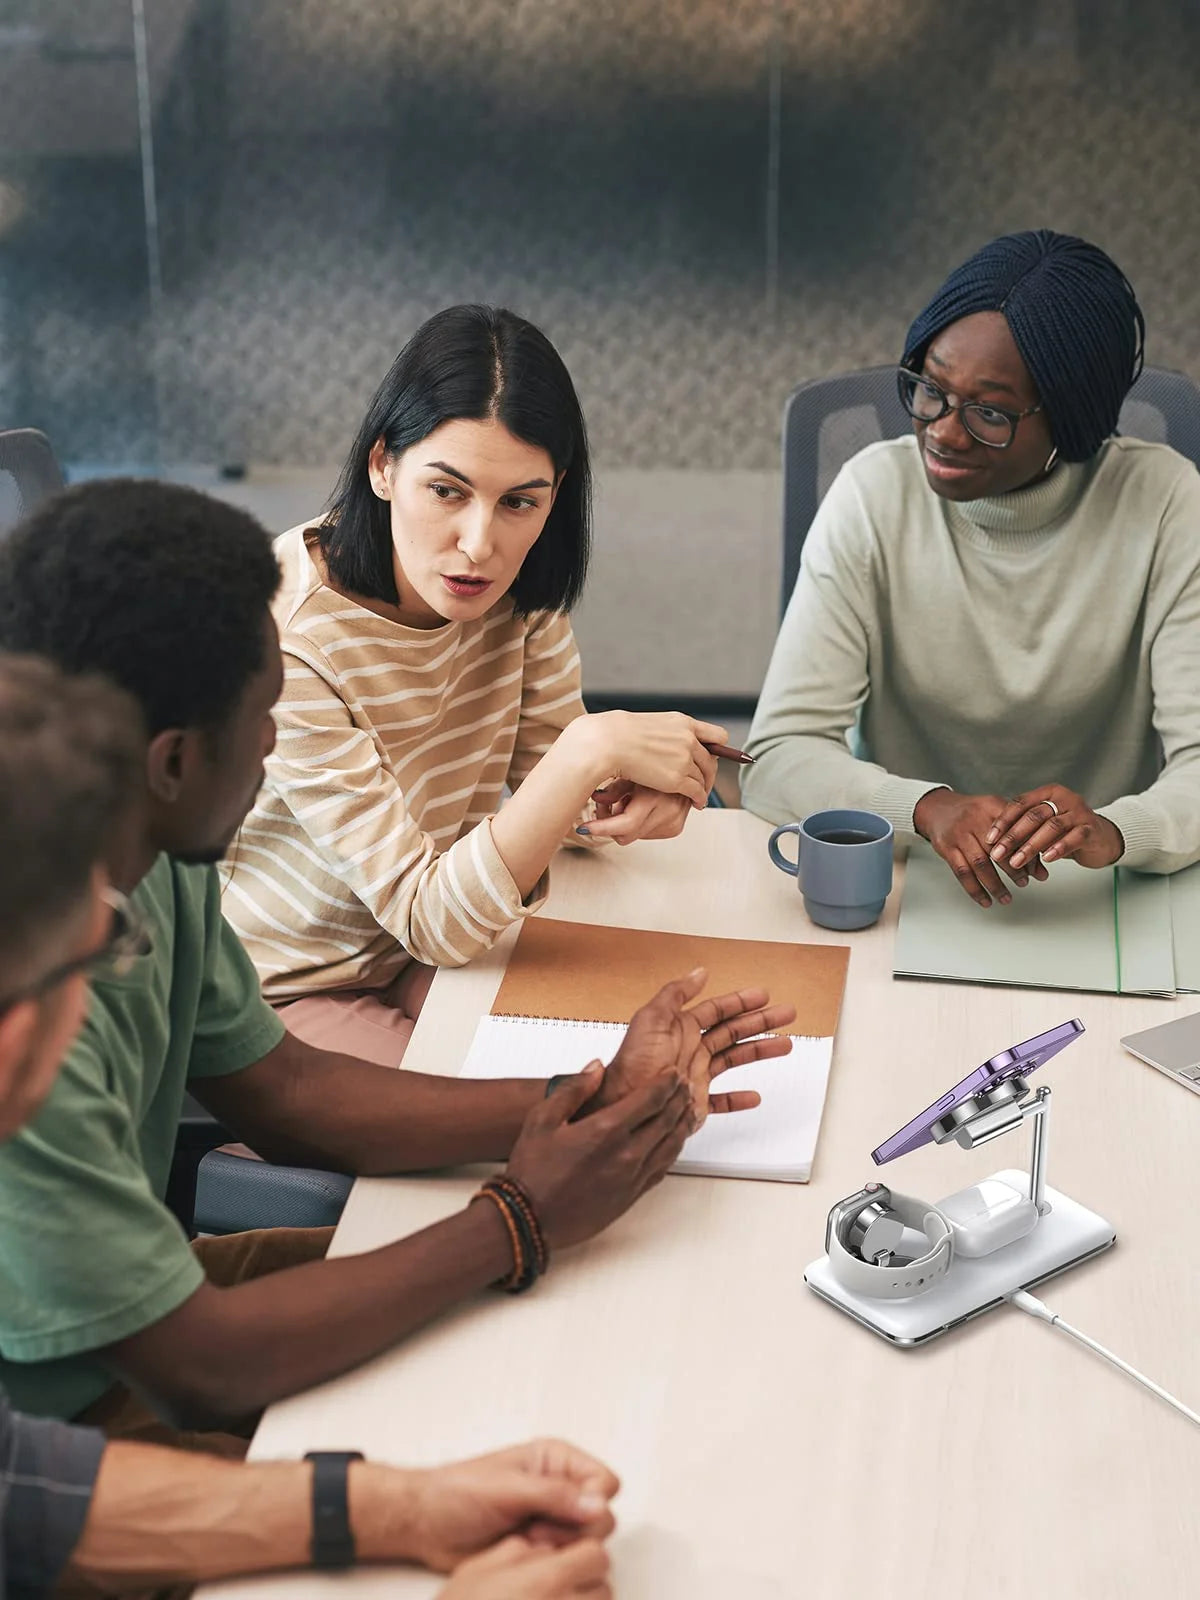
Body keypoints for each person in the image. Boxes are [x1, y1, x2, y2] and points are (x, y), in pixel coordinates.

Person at [0, 481, 792, 1472]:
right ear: (171, 760)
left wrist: (585, 1100)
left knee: (593, 1311)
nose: (275, 743)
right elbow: (197, 1365)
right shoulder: (36, 983)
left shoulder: (153, 853)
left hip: (136, 1323)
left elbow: (284, 1092)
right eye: (263, 717)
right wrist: (518, 1219)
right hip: (54, 1432)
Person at [0, 652, 621, 1600]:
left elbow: (33, 1493)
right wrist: (511, 1223)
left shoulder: (144, 862)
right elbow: (181, 1379)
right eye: (89, 958)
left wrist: (403, 1510)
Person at [220, 304, 730, 1063]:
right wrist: (591, 750)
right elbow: (433, 915)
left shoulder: (516, 600)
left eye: (520, 501)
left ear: (555, 496)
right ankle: (247, 1175)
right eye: (447, 491)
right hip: (285, 985)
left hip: (427, 947)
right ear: (382, 465)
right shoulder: (289, 636)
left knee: (652, 1048)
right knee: (545, 1118)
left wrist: (627, 792)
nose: (480, 546)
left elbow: (561, 807)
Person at [742, 229, 1200, 908]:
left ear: (1071, 417)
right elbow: (777, 757)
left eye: (989, 413)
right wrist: (928, 808)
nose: (944, 431)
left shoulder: (1164, 502)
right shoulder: (873, 495)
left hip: (1098, 897)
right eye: (931, 390)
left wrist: (1116, 829)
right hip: (903, 884)